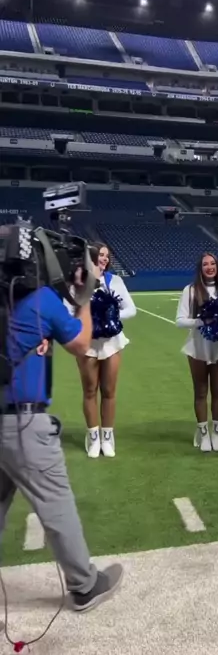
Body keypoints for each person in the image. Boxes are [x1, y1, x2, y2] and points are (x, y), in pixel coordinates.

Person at [2, 261, 123, 612]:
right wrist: (83, 299)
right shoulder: (41, 300)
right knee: (57, 506)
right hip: (23, 424)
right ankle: (85, 586)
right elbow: (81, 342)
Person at [76, 244, 136, 459]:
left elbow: (131, 308)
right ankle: (93, 436)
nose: (104, 259)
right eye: (100, 255)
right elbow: (68, 309)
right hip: (87, 343)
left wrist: (111, 318)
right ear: (89, 258)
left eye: (106, 256)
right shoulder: (78, 281)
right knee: (90, 391)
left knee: (109, 391)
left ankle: (107, 436)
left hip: (111, 342)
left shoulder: (115, 281)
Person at [176, 252, 218, 452]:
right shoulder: (191, 290)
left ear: (217, 267)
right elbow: (180, 321)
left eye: (212, 264)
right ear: (200, 268)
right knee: (201, 392)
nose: (209, 267)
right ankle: (203, 433)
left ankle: (217, 432)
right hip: (198, 347)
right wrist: (203, 321)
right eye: (205, 264)